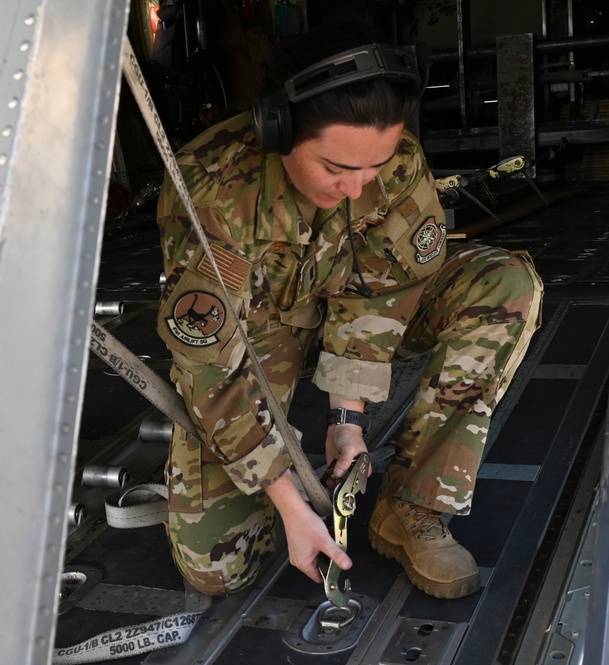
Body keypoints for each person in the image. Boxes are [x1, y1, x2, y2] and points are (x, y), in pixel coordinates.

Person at [154, 21, 543, 600]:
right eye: (336, 170)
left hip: (349, 318)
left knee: (505, 285)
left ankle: (413, 506)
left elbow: (384, 291)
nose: (358, 189)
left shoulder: (397, 162)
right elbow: (209, 368)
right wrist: (288, 501)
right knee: (217, 570)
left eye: (373, 168)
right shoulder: (213, 189)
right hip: (254, 337)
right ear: (280, 131)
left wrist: (346, 421)